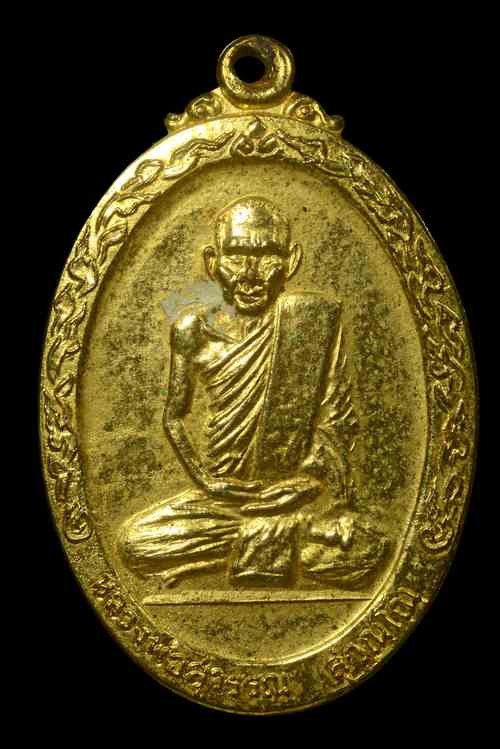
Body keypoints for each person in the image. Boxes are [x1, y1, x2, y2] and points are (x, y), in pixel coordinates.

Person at [118, 196, 386, 588]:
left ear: (291, 261)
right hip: (223, 502)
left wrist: (309, 484)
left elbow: (338, 422)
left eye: (266, 256)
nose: (250, 274)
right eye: (236, 256)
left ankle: (269, 540)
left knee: (369, 549)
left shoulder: (314, 321)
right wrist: (208, 483)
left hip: (295, 497)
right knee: (134, 544)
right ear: (212, 262)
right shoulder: (192, 328)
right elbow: (173, 417)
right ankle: (285, 541)